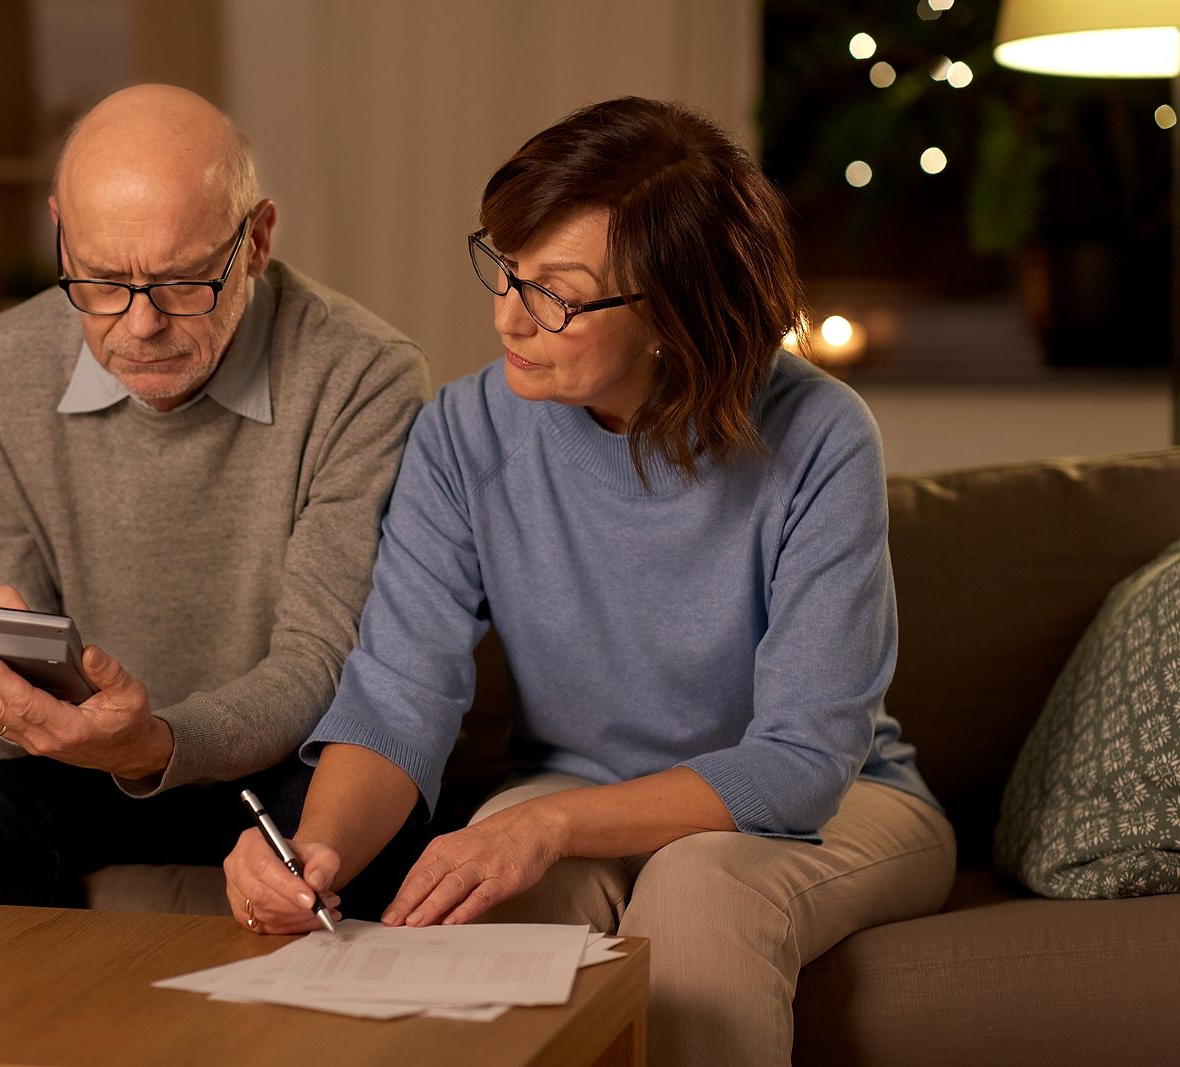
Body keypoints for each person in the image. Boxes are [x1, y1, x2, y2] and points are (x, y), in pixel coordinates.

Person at [223, 97, 956, 1065]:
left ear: (671, 314)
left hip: (837, 802)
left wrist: (550, 821)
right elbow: (398, 695)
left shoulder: (820, 436)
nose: (507, 315)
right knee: (478, 899)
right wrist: (314, 849)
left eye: (554, 295)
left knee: (699, 888)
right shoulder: (461, 433)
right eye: (505, 269)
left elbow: (803, 759)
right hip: (569, 790)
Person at [0, 84, 429, 927]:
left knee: (355, 806)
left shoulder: (363, 375)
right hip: (81, 763)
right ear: (60, 235)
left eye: (183, 281)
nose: (140, 325)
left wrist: (157, 742)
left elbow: (324, 662)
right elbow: (6, 648)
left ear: (257, 240)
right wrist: (2, 702)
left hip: (280, 762)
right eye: (104, 279)